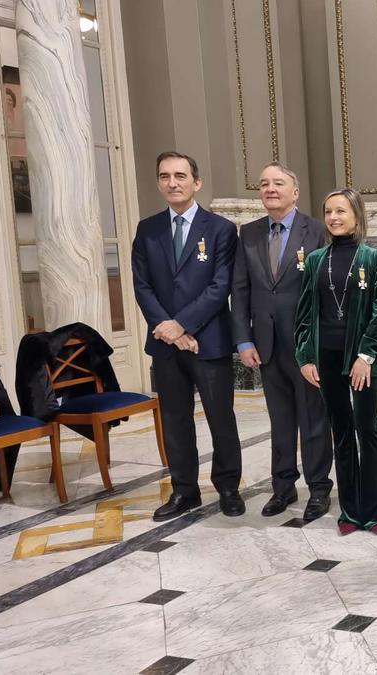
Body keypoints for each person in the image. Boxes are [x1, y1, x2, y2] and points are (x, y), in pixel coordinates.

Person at [131, 151, 243, 522]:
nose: (172, 182)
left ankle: (228, 487)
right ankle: (184, 490)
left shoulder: (221, 230)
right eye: (165, 176)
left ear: (197, 182)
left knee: (220, 417)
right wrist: (170, 329)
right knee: (174, 420)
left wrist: (184, 325)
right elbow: (142, 286)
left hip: (208, 341)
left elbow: (219, 285)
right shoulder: (147, 230)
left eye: (180, 176)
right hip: (166, 345)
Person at [231, 162, 332, 521]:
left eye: (278, 183)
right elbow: (240, 291)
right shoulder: (249, 234)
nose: (270, 189)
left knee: (314, 420)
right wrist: (243, 340)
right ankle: (283, 487)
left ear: (295, 192)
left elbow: (327, 292)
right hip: (266, 345)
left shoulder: (317, 231)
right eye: (264, 184)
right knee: (280, 420)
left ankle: (319, 488)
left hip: (307, 347)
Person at [294, 188, 377, 536]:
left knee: (367, 430)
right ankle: (350, 509)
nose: (334, 217)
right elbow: (305, 313)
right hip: (327, 358)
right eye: (329, 211)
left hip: (363, 359)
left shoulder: (374, 260)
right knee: (341, 433)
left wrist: (365, 357)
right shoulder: (317, 259)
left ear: (356, 215)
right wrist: (306, 356)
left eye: (341, 211)